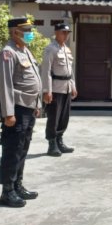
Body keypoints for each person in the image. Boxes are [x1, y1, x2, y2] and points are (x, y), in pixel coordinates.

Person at [0, 17, 42, 208]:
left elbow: (35, 80)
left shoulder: (25, 51)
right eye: (26, 30)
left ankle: (17, 185)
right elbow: (5, 85)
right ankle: (7, 191)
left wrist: (38, 104)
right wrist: (8, 113)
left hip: (28, 108)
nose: (30, 33)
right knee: (12, 150)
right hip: (16, 109)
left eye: (30, 30)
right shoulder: (8, 53)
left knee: (23, 148)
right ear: (15, 32)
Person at [41, 22, 77, 157]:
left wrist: (73, 86)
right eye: (63, 32)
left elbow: (70, 71)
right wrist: (47, 90)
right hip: (55, 88)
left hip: (66, 87)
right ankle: (52, 144)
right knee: (53, 117)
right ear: (56, 33)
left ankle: (60, 141)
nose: (66, 35)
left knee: (64, 117)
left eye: (67, 33)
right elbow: (46, 71)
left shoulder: (66, 49)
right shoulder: (51, 49)